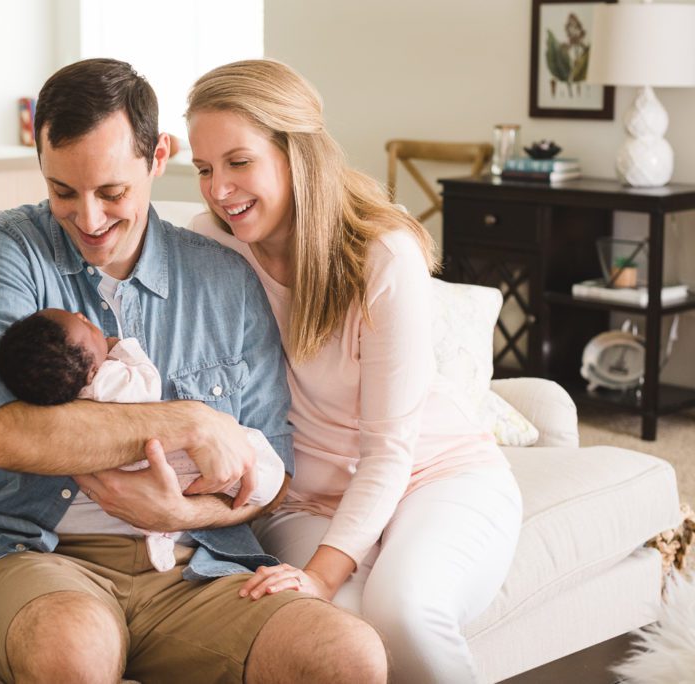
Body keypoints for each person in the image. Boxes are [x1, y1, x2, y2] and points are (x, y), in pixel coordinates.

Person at [0, 58, 387, 684]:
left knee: (347, 655)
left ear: (157, 158)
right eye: (62, 191)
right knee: (76, 647)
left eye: (111, 192)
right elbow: (0, 434)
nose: (88, 221)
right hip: (43, 557)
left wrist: (182, 516)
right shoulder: (11, 249)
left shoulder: (226, 277)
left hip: (197, 567)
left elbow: (275, 477)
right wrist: (190, 423)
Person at [186, 59, 523, 684]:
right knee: (336, 635)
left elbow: (389, 452)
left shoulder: (382, 255)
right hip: (301, 499)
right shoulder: (212, 244)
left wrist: (319, 572)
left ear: (297, 154)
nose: (218, 189)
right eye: (204, 169)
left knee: (403, 609)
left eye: (238, 162)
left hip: (435, 476)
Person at [0, 307, 286, 571]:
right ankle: (166, 528)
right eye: (83, 324)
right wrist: (122, 348)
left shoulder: (62, 399)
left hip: (137, 471)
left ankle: (161, 532)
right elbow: (148, 383)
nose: (84, 316)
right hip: (166, 457)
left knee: (182, 489)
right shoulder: (107, 380)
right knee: (257, 463)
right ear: (91, 368)